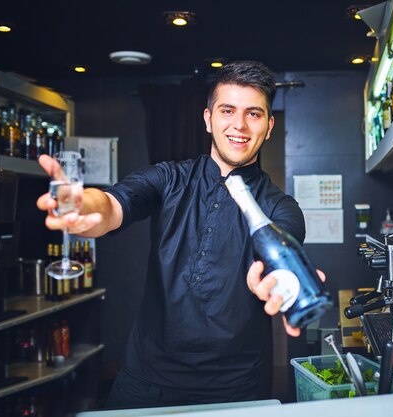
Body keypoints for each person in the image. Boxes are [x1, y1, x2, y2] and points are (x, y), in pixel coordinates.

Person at [36, 61, 322, 408]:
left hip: (236, 387)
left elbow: (280, 260)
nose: (239, 125)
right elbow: (113, 204)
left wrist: (278, 281)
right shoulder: (169, 178)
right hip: (146, 379)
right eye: (227, 110)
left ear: (269, 125)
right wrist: (85, 205)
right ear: (207, 118)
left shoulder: (282, 207)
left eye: (253, 114)